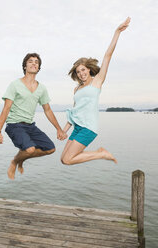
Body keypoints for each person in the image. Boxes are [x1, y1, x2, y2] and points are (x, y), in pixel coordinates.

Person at [60, 17, 131, 165]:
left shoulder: (97, 81)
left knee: (68, 160)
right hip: (78, 127)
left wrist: (117, 32)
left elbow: (107, 56)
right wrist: (64, 129)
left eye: (83, 70)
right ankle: (100, 153)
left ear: (89, 69)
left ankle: (101, 154)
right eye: (78, 72)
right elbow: (74, 112)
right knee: (63, 159)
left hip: (88, 128)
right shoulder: (77, 88)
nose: (81, 73)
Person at [0, 53, 67, 180]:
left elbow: (48, 110)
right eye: (30, 61)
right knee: (30, 149)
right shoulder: (15, 84)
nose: (34, 63)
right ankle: (15, 162)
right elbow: (6, 108)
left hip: (30, 126)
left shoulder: (42, 88)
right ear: (25, 66)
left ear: (39, 68)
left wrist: (59, 129)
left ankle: (21, 159)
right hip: (14, 125)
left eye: (36, 62)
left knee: (50, 148)